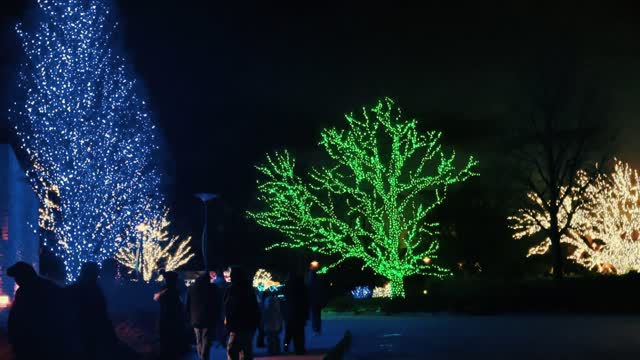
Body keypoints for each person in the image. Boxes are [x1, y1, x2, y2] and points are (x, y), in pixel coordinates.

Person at [6, 261, 70, 359]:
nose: (16, 281)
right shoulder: (47, 286)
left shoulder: (26, 291)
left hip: (36, 342)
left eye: (17, 277)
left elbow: (18, 316)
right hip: (44, 342)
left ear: (23, 276)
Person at [68, 262, 119, 359]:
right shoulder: (95, 292)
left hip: (76, 336)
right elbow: (102, 316)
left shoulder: (72, 289)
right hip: (89, 335)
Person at [224, 266, 260, 360]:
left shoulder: (232, 290)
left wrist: (228, 323)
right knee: (246, 350)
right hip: (248, 324)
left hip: (237, 325)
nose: (230, 277)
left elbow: (228, 307)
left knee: (233, 350)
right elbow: (255, 307)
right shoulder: (249, 289)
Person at [187, 272, 221, 360]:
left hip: (195, 318)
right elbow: (217, 303)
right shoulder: (213, 288)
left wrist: (188, 317)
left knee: (198, 340)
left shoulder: (192, 288)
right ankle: (204, 357)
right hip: (208, 317)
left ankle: (201, 356)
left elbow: (187, 304)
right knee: (206, 339)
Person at [155, 270, 188, 360]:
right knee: (172, 339)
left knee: (167, 339)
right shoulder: (175, 290)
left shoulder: (164, 290)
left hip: (166, 317)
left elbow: (157, 300)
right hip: (173, 318)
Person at [283, 273, 309, 355]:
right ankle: (300, 348)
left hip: (290, 313)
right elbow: (306, 302)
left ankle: (286, 346)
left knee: (289, 333)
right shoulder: (303, 287)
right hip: (300, 314)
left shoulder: (288, 287)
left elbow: (285, 300)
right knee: (300, 333)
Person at [307, 268, 329, 335]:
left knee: (314, 316)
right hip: (318, 301)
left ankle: (316, 329)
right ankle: (318, 329)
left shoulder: (310, 283)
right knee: (317, 316)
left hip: (313, 301)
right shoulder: (319, 282)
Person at [262, 291, 283, 355]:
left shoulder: (266, 302)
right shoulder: (276, 301)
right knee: (275, 337)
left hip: (270, 323)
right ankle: (276, 350)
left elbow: (265, 314)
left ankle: (271, 350)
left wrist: (263, 322)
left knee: (270, 337)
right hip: (275, 322)